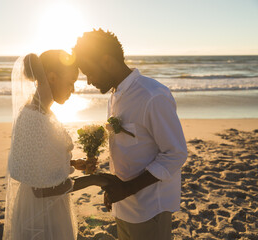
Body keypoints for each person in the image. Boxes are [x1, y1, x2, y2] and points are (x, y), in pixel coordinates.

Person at [73, 29, 188, 240]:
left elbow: (176, 153)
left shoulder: (152, 96)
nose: (88, 81)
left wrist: (127, 188)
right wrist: (116, 189)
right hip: (124, 203)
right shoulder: (115, 95)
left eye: (90, 71)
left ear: (107, 61)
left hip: (150, 207)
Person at [2, 50, 110, 240]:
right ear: (51, 78)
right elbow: (42, 189)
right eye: (70, 83)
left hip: (46, 207)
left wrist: (74, 164)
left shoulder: (40, 112)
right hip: (42, 214)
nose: (73, 90)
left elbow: (40, 163)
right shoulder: (36, 119)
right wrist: (97, 180)